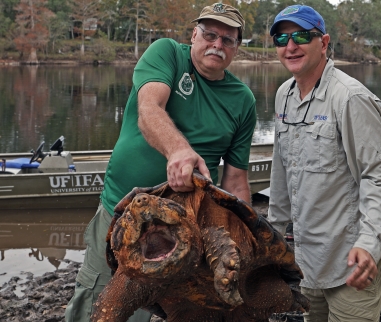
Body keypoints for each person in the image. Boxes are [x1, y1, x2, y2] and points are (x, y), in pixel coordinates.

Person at [65, 3, 256, 321]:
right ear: (194, 34)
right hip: (122, 213)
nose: (217, 44)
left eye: (228, 39)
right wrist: (179, 150)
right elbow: (149, 109)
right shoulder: (167, 53)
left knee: (156, 307)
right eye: (210, 34)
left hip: (187, 229)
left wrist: (245, 242)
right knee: (94, 303)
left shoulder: (242, 99)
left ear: (237, 47)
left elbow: (235, 181)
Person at [267, 5, 381, 322]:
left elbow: (378, 176)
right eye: (281, 38)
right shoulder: (284, 94)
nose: (290, 45)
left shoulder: (350, 97)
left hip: (352, 257)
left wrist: (369, 244)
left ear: (323, 43)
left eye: (301, 35)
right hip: (309, 257)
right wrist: (270, 236)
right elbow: (281, 171)